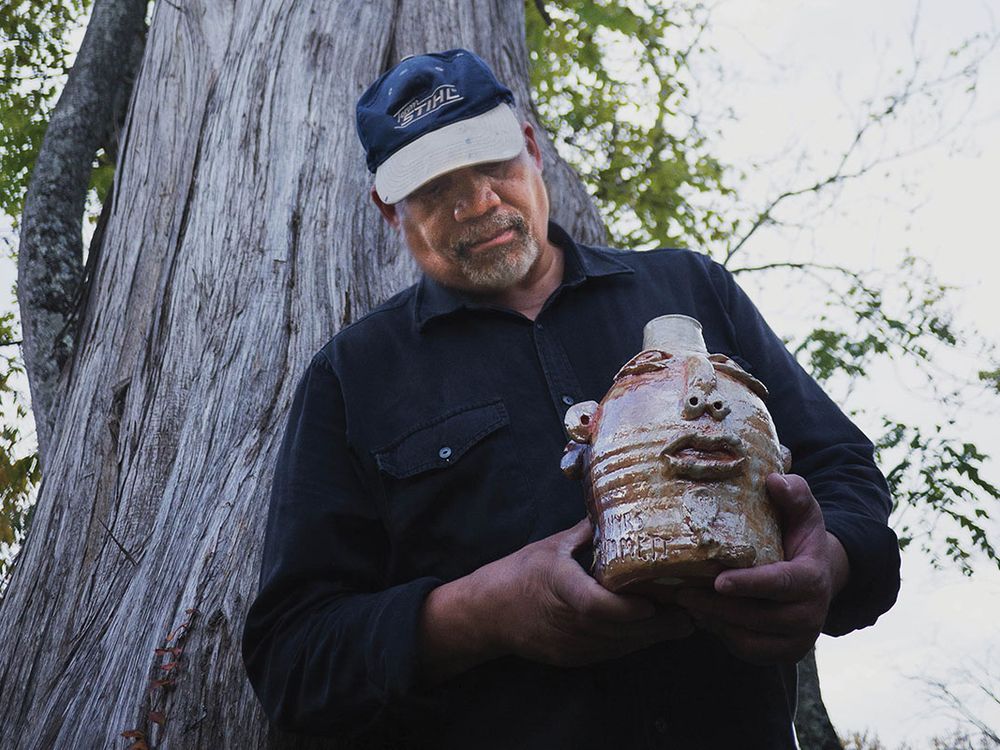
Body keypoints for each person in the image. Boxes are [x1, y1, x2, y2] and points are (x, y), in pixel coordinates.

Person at [242, 49, 900, 748]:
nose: (478, 203)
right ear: (389, 210)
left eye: (490, 162)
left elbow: (845, 471)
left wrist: (826, 566)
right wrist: (481, 613)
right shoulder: (353, 376)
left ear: (530, 147)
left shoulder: (691, 288)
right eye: (434, 189)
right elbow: (293, 658)